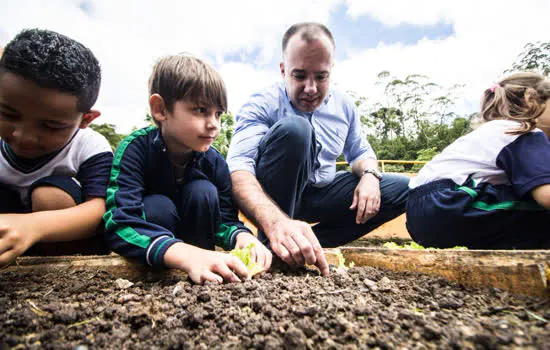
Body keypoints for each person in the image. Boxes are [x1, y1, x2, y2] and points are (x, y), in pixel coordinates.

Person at [227, 22, 409, 275]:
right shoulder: (262, 103)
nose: (311, 88)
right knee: (296, 131)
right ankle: (275, 243)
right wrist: (276, 222)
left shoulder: (343, 106)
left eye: (321, 77)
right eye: (299, 75)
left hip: (320, 194)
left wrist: (369, 175)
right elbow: (238, 170)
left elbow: (359, 153)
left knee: (403, 189)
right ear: (283, 70)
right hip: (273, 198)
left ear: (330, 71)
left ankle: (308, 244)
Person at [103, 54, 272, 284]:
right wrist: (184, 254)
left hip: (202, 258)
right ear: (161, 109)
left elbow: (224, 221)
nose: (214, 124)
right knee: (157, 206)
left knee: (202, 191)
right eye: (201, 110)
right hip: (157, 258)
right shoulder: (135, 150)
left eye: (218, 114)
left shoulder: (215, 163)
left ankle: (205, 271)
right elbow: (120, 223)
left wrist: (241, 237)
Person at [0, 29, 113, 265]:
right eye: (7, 115)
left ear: (86, 120)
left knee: (51, 195)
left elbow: (101, 208)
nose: (24, 136)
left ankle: (54, 265)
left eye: (50, 126)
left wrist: (33, 226)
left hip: (62, 240)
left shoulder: (90, 146)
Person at [407, 72, 550, 249]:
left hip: (421, 214)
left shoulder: (494, 130)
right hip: (449, 205)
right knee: (542, 211)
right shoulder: (523, 132)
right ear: (531, 100)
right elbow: (546, 195)